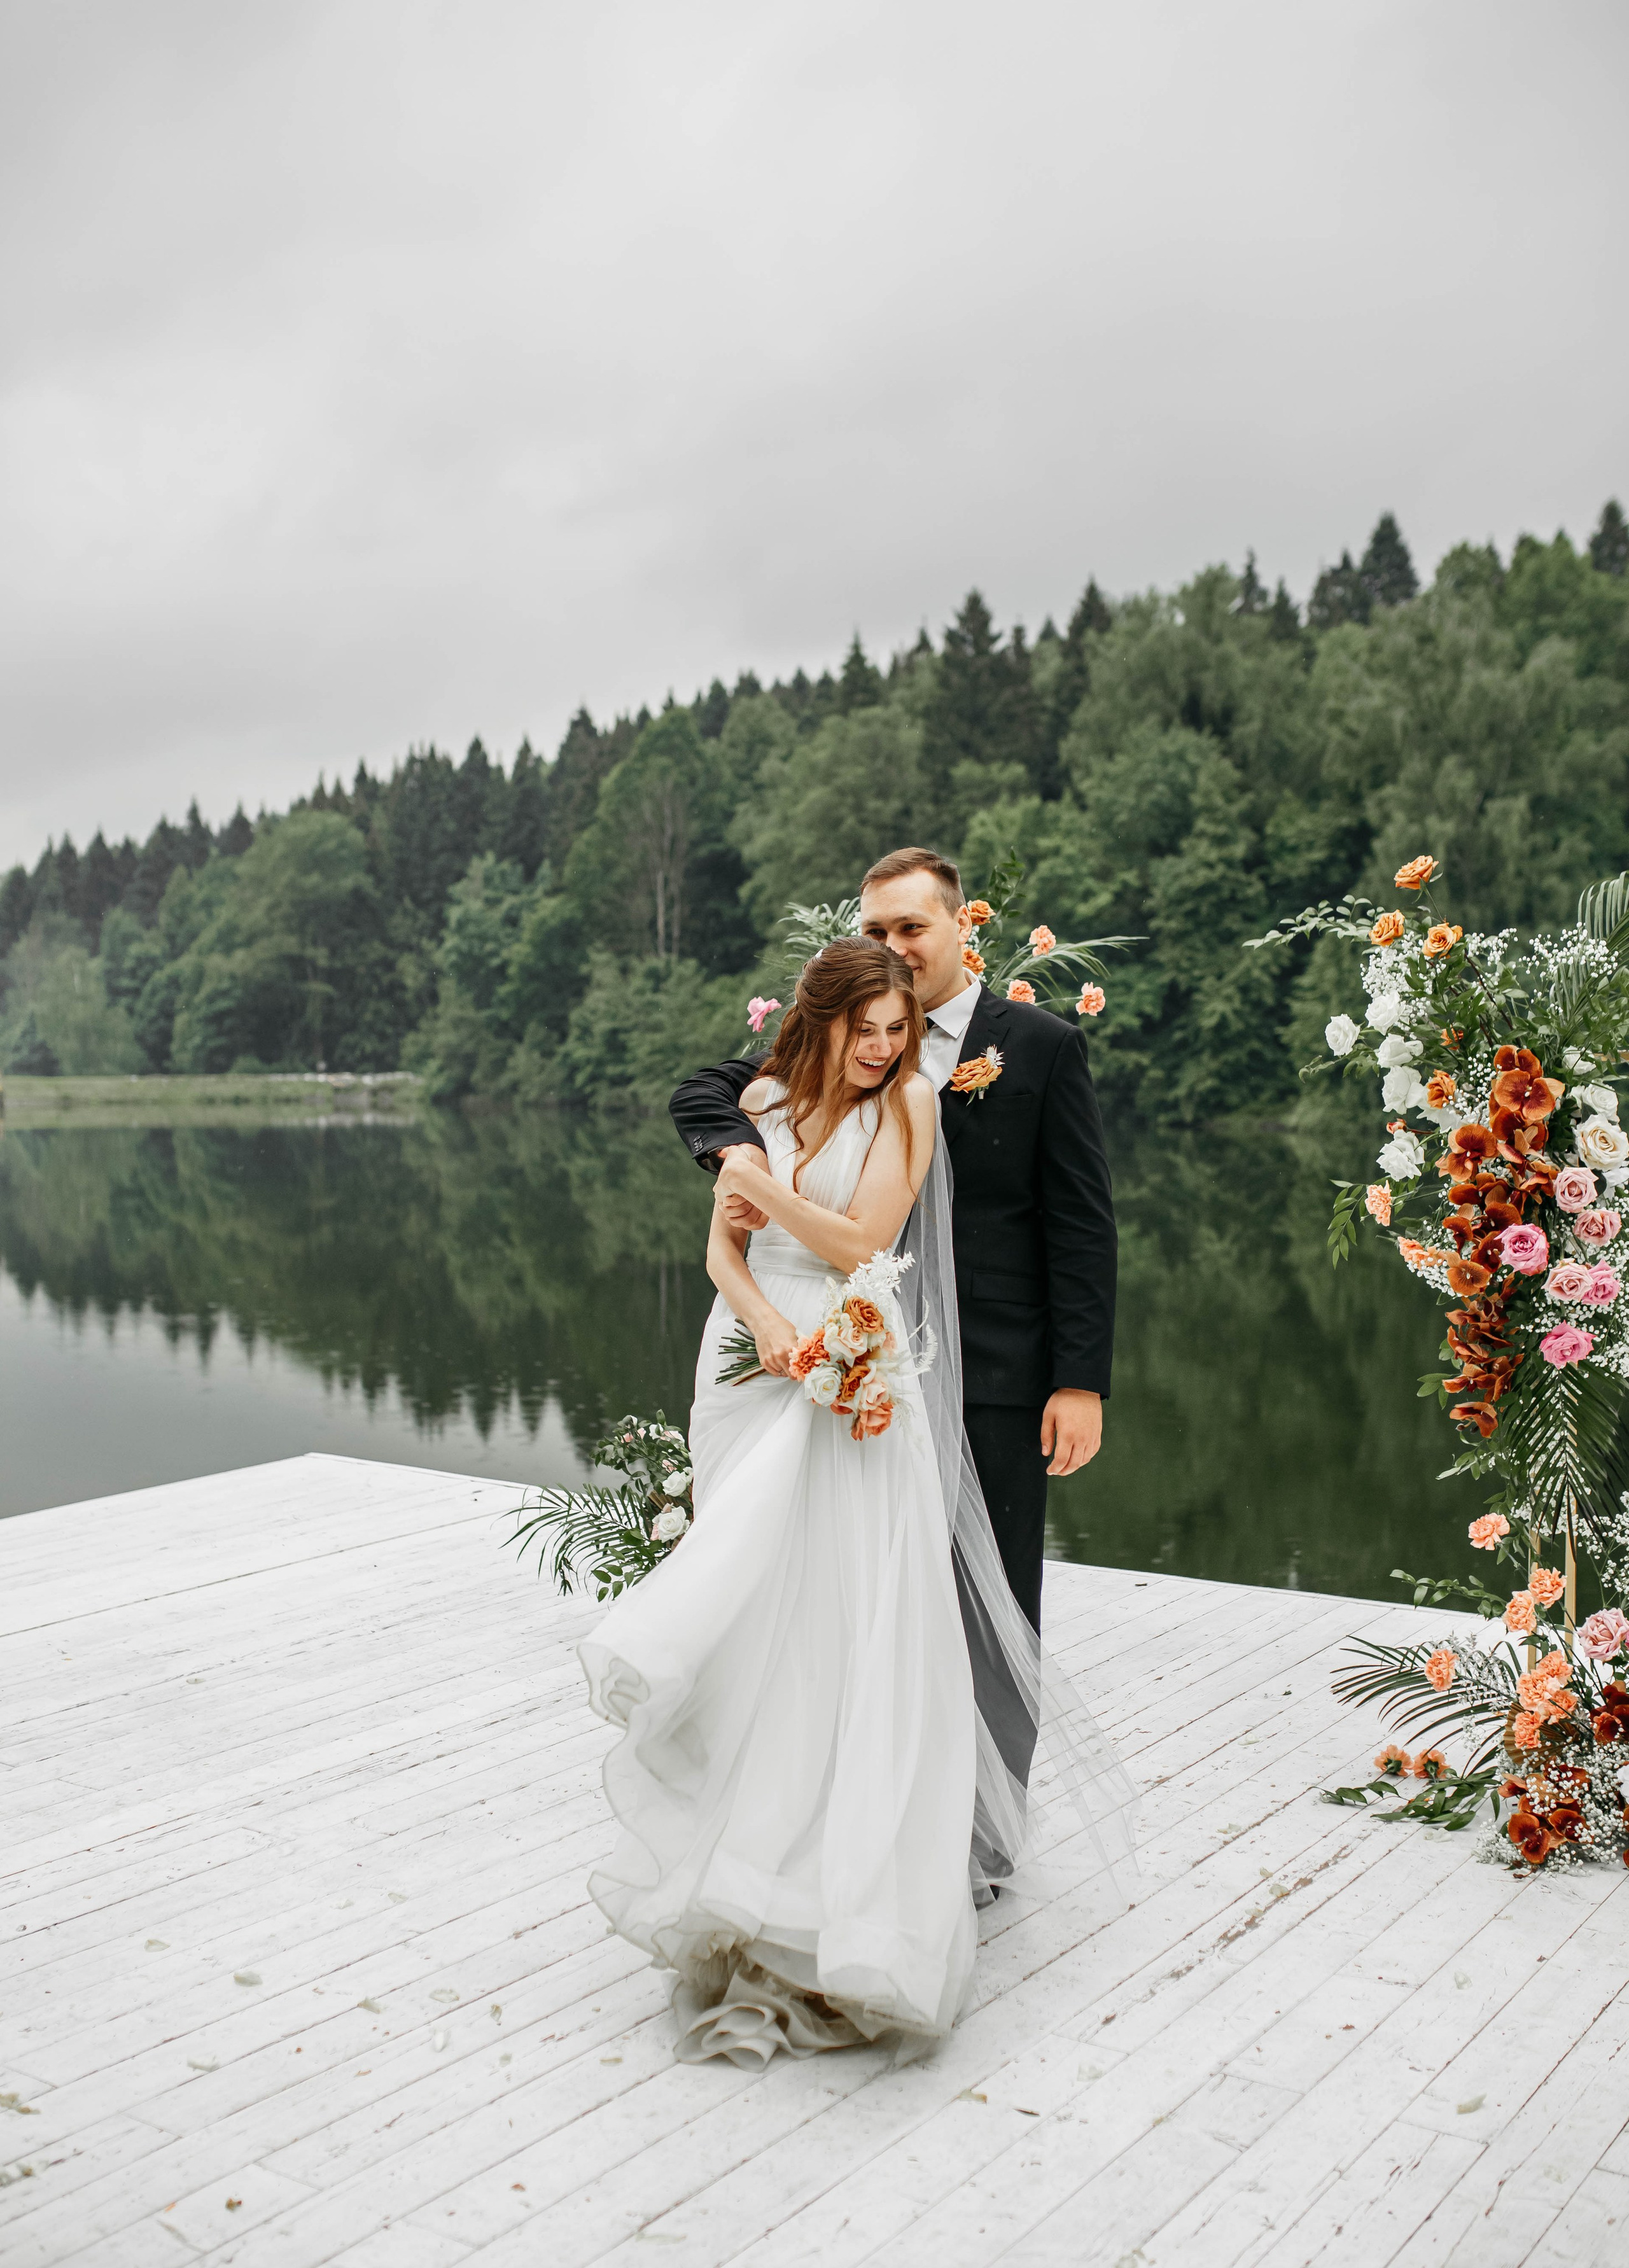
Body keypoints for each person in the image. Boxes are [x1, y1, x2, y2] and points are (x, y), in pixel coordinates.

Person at [580, 937, 1133, 2069]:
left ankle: (844, 1893)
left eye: (896, 1029)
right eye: (865, 1030)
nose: (884, 1049)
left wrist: (765, 1193)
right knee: (756, 1623)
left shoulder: (913, 1106)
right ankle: (745, 1864)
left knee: (844, 1620)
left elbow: (865, 1239)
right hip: (753, 1356)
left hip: (857, 1370)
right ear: (822, 1020)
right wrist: (767, 1319)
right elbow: (721, 1248)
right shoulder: (767, 1096)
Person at [669, 844, 1117, 1635]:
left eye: (912, 925)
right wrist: (736, 1152)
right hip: (836, 1356)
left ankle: (994, 1767)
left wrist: (1080, 1381)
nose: (893, 946)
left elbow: (1081, 1225)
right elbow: (711, 1088)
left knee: (992, 1599)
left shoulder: (1041, 1046)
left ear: (959, 923)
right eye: (875, 929)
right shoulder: (847, 1035)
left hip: (991, 1366)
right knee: (846, 1594)